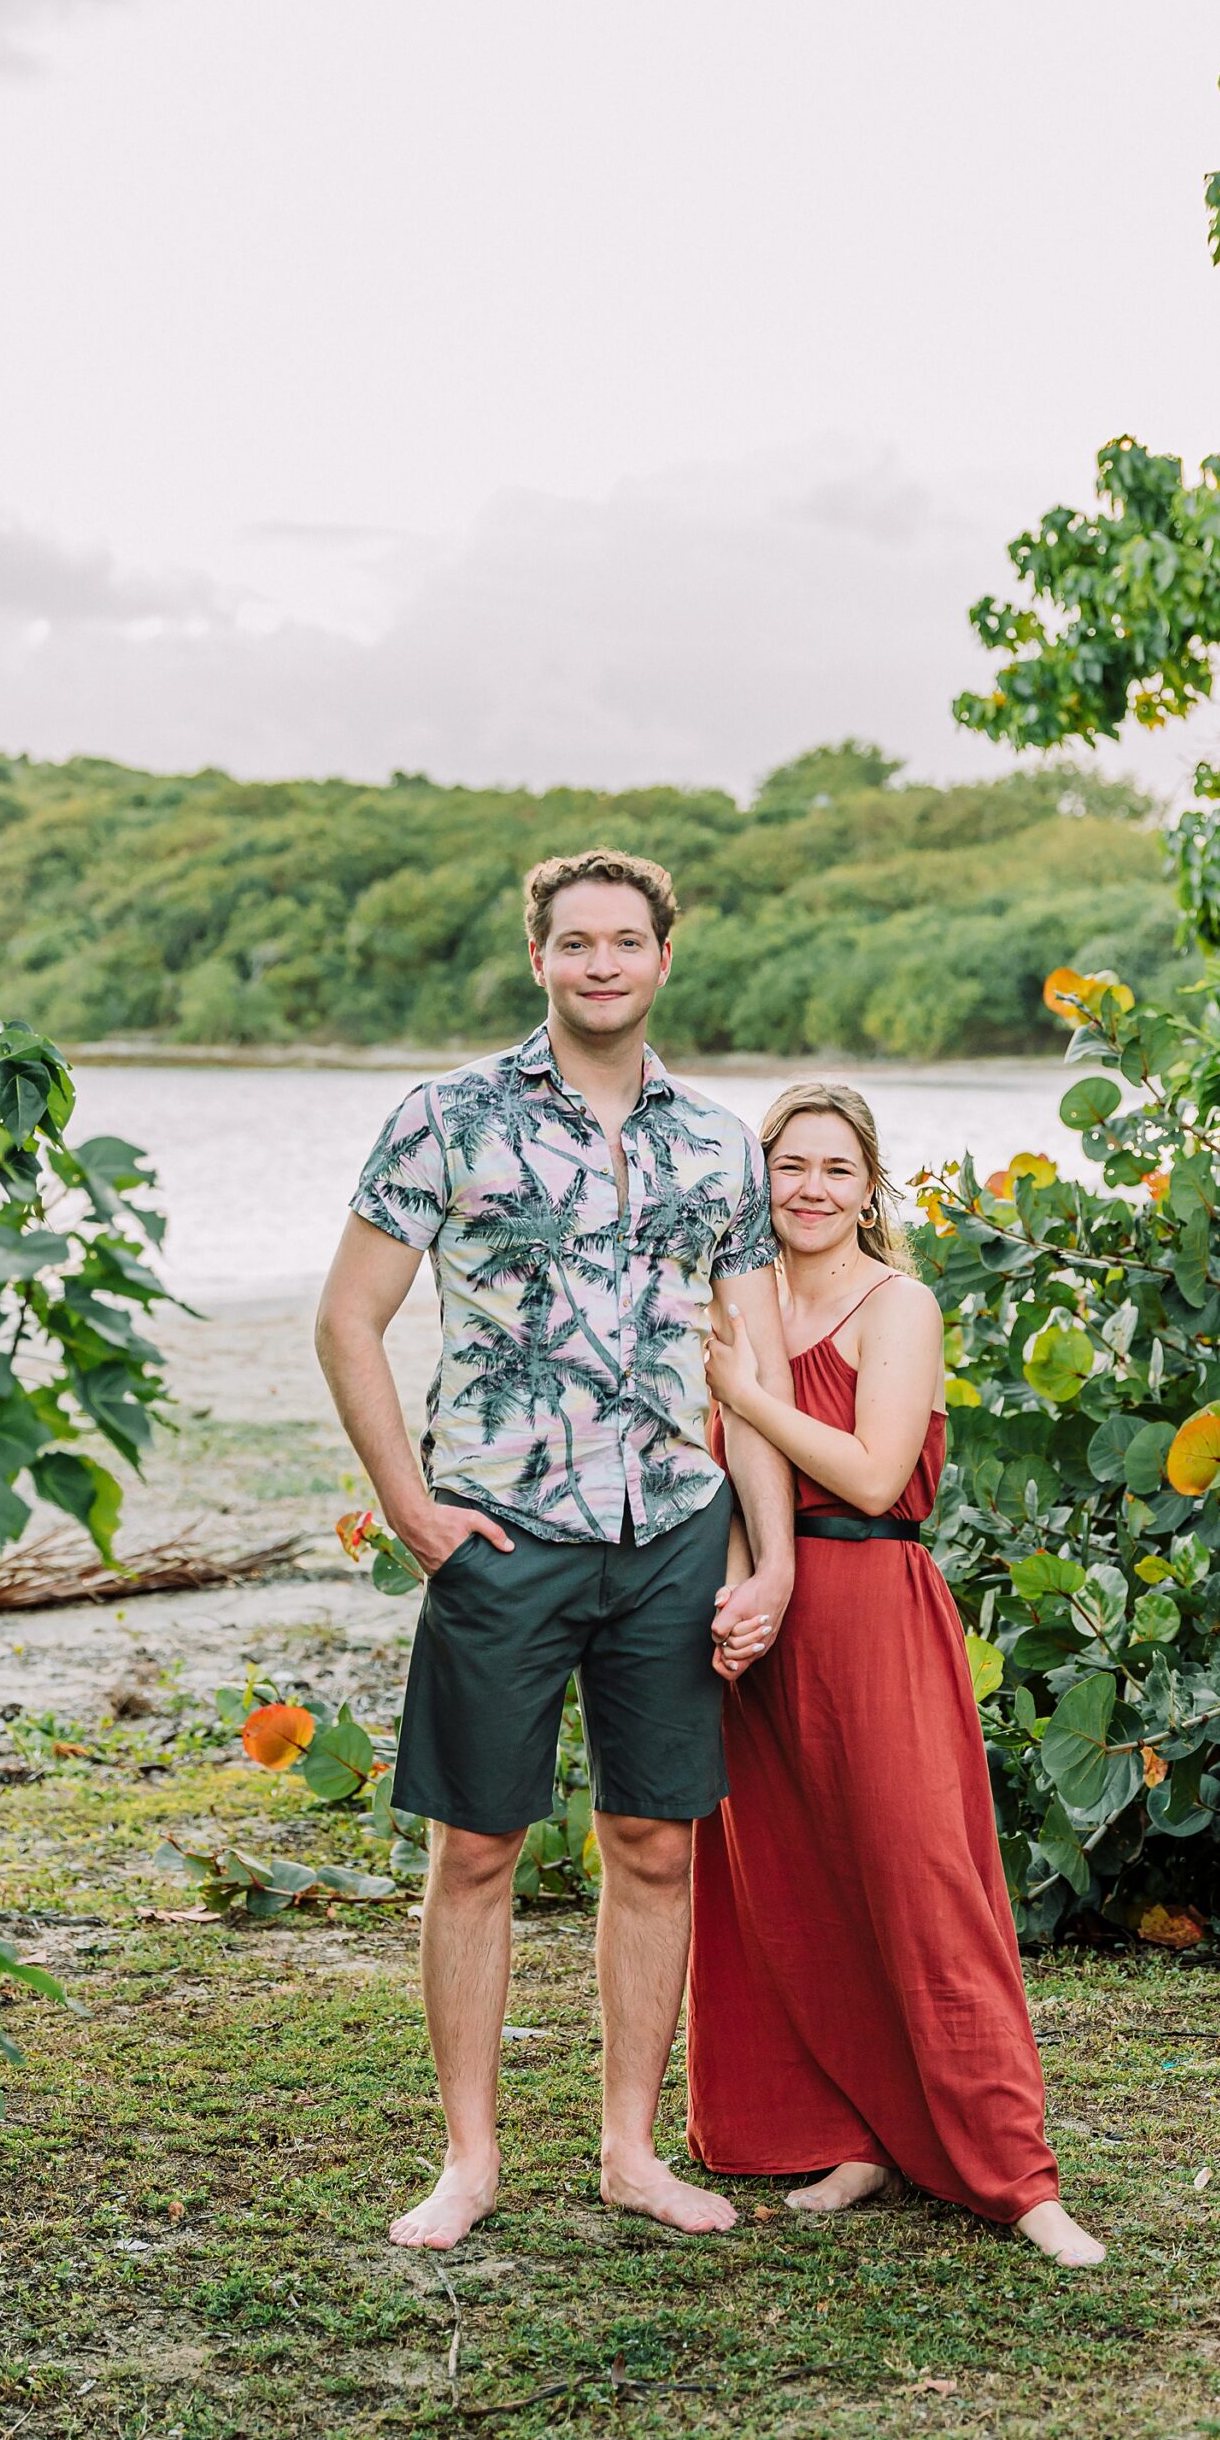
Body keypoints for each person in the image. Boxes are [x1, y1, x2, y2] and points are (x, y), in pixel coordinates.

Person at [316, 849, 795, 2252]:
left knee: (653, 1841)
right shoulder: (446, 1116)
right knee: (475, 1848)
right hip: (502, 1534)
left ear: (663, 958)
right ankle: (468, 2161)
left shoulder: (719, 1145)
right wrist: (410, 1508)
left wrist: (768, 1558)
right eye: (575, 942)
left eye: (624, 942)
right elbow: (348, 1319)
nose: (600, 964)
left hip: (670, 1532)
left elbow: (751, 1365)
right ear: (538, 958)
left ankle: (629, 2153)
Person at [690, 1081, 1105, 2269]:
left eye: (835, 1169)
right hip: (763, 1619)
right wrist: (736, 1596)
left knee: (924, 1886)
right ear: (757, 1180)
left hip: (872, 1608)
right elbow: (727, 1475)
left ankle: (1017, 2177)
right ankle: (855, 2133)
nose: (809, 1189)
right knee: (793, 1881)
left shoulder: (898, 1302)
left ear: (869, 1188)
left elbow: (875, 1476)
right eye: (788, 1166)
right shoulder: (738, 1303)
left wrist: (746, 1392)